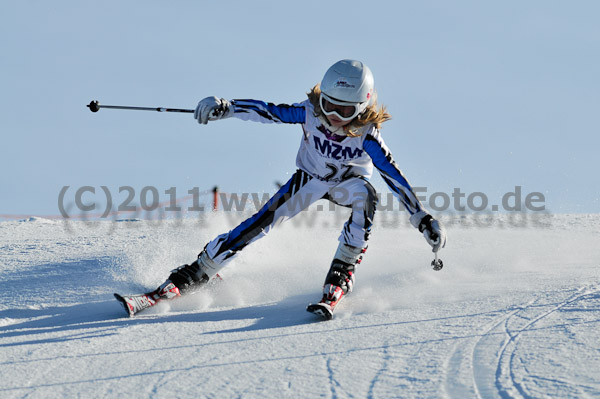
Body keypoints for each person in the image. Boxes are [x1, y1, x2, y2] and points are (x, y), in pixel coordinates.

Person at [116, 59, 447, 318]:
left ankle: (342, 270)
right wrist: (226, 107)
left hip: (349, 185)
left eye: (344, 111)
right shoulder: (311, 113)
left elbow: (392, 174)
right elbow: (266, 111)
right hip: (310, 180)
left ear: (362, 106)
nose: (333, 116)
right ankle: (195, 273)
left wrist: (422, 217)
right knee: (258, 225)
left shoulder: (367, 135)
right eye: (329, 104)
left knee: (367, 196)